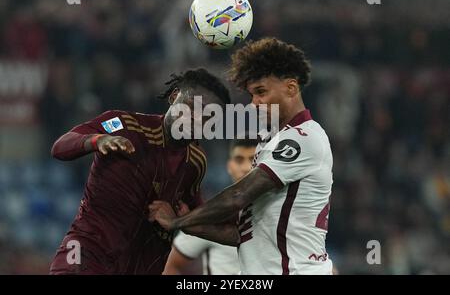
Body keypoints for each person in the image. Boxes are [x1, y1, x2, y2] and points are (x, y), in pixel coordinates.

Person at [149, 38, 334, 275]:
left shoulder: (303, 137)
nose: (255, 103)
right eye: (251, 95)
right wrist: (191, 223)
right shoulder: (270, 139)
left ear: (291, 88)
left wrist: (177, 222)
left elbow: (238, 195)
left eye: (261, 92)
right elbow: (245, 234)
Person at [49, 68, 230, 274]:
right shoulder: (125, 125)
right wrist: (99, 140)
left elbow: (195, 215)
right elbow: (60, 147)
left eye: (208, 116)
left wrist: (179, 221)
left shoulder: (196, 163)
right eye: (191, 107)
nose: (197, 119)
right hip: (88, 254)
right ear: (173, 96)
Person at [164, 139, 257, 275]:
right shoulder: (210, 215)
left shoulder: (281, 212)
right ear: (229, 166)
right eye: (239, 160)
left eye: (252, 160)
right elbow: (171, 265)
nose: (245, 167)